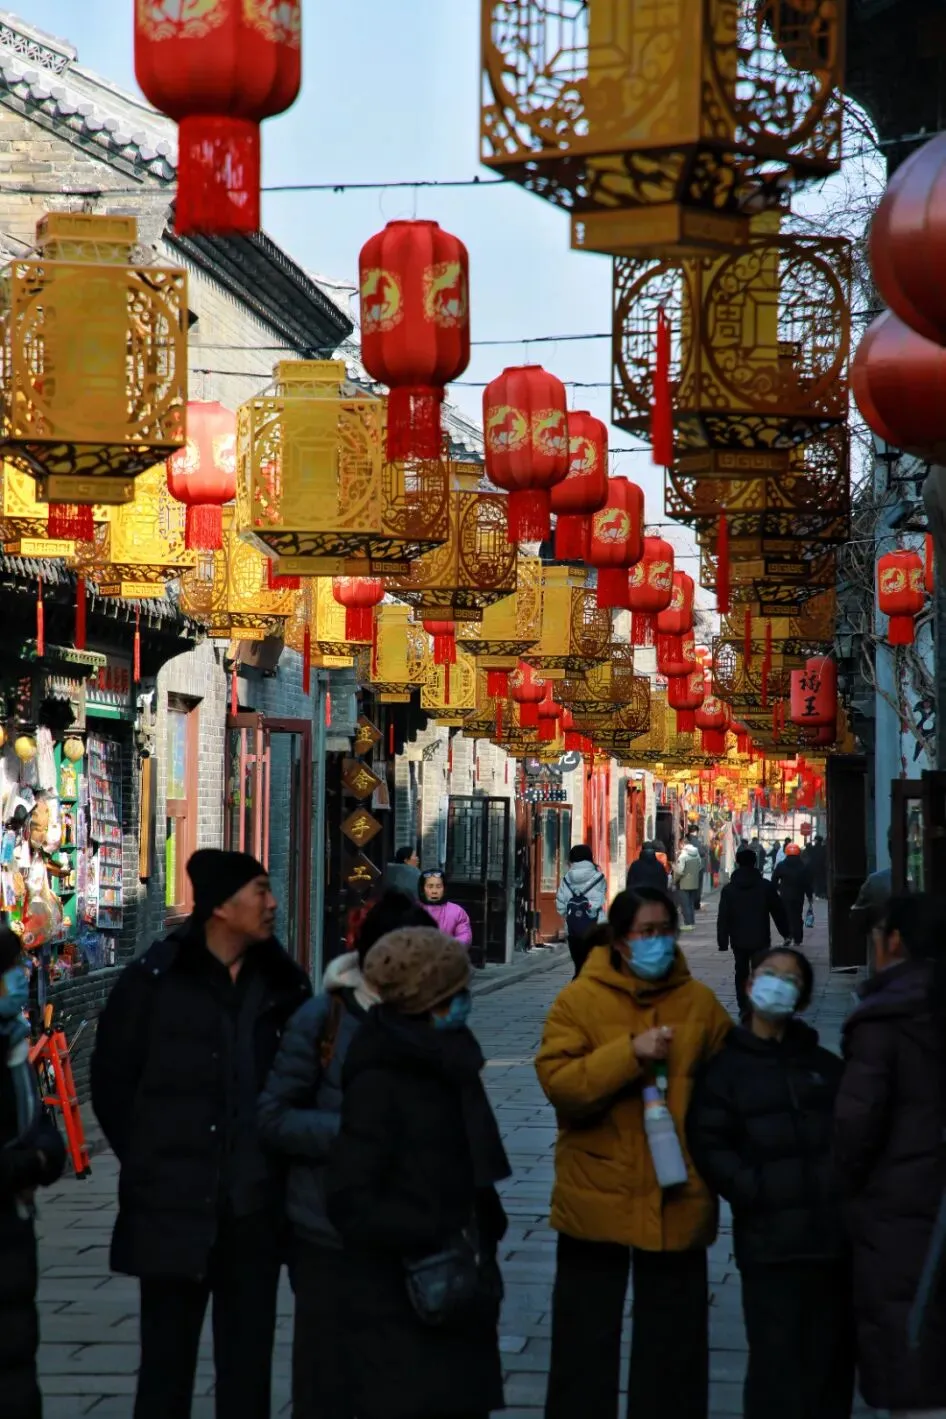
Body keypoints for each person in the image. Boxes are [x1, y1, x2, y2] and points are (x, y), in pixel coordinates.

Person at [90, 850, 311, 1419]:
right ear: (221, 907)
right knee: (165, 1373)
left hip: (255, 1213)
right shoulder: (154, 983)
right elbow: (112, 1082)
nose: (272, 903)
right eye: (260, 891)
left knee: (247, 1375)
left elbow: (308, 1086)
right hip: (173, 1208)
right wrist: (147, 1162)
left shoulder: (284, 985)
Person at [536, 887, 732, 1419]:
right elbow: (561, 1085)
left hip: (678, 1193)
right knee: (584, 1344)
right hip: (596, 1191)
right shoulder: (580, 1000)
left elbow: (732, 1089)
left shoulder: (699, 1004)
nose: (659, 942)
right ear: (621, 941)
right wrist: (629, 1054)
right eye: (647, 933)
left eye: (667, 931)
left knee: (674, 1349)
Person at [258, 891, 435, 1419]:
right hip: (327, 1231)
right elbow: (274, 1117)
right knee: (326, 1382)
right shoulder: (324, 1018)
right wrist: (354, 1134)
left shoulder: (431, 1018)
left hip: (407, 1232)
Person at [325, 926, 509, 1419]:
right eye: (456, 991)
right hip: (405, 1295)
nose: (465, 1000)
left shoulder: (450, 1056)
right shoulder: (382, 1073)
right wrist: (431, 1228)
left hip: (458, 1283)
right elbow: (350, 1198)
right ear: (428, 997)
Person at [689, 947, 853, 1419]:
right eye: (769, 974)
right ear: (749, 984)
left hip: (830, 1241)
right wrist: (754, 1189)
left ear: (802, 998)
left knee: (831, 1364)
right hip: (769, 1243)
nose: (778, 984)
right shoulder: (725, 1068)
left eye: (791, 980)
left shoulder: (824, 1066)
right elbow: (709, 1143)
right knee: (774, 1365)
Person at [834, 893, 946, 1418]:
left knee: (909, 1338)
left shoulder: (885, 1018)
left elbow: (856, 1127)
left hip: (901, 1203)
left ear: (894, 941)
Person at [0, 929, 65, 1419]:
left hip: (13, 1236)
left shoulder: (15, 1049)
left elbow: (40, 1128)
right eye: (8, 971)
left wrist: (45, 1155)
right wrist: (27, 1163)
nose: (21, 977)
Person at [717, 847, 791, 1016]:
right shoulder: (765, 887)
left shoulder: (729, 889)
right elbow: (778, 911)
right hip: (761, 937)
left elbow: (723, 917)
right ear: (755, 863)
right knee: (761, 972)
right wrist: (786, 932)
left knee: (741, 973)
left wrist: (723, 941)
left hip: (738, 939)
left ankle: (743, 1007)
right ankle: (759, 1003)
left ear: (738, 863)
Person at [556, 844, 608, 977]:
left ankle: (578, 988)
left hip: (573, 931)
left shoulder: (566, 879)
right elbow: (599, 901)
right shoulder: (599, 878)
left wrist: (572, 916)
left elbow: (561, 906)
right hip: (595, 929)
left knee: (579, 968)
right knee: (593, 968)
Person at [418, 870, 473, 949]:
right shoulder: (413, 910)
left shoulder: (457, 912)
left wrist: (447, 948)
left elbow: (464, 936)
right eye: (430, 886)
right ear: (422, 889)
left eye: (438, 887)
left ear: (444, 889)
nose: (434, 891)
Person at [773, 843, 813, 947]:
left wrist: (777, 888)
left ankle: (788, 936)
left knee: (786, 915)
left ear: (786, 853)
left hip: (785, 895)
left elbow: (774, 880)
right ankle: (798, 939)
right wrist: (809, 896)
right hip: (798, 895)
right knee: (797, 916)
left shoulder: (781, 865)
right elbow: (807, 883)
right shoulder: (803, 866)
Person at [673, 833, 703, 930]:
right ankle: (692, 922)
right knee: (690, 903)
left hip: (683, 883)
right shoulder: (696, 853)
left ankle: (688, 924)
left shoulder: (683, 855)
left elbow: (679, 871)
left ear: (682, 844)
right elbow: (699, 866)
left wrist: (674, 878)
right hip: (694, 882)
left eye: (679, 844)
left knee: (685, 904)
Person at [689, 831, 708, 911]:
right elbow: (702, 852)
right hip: (698, 867)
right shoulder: (696, 842)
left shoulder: (688, 842)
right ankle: (696, 903)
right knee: (698, 887)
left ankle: (692, 903)